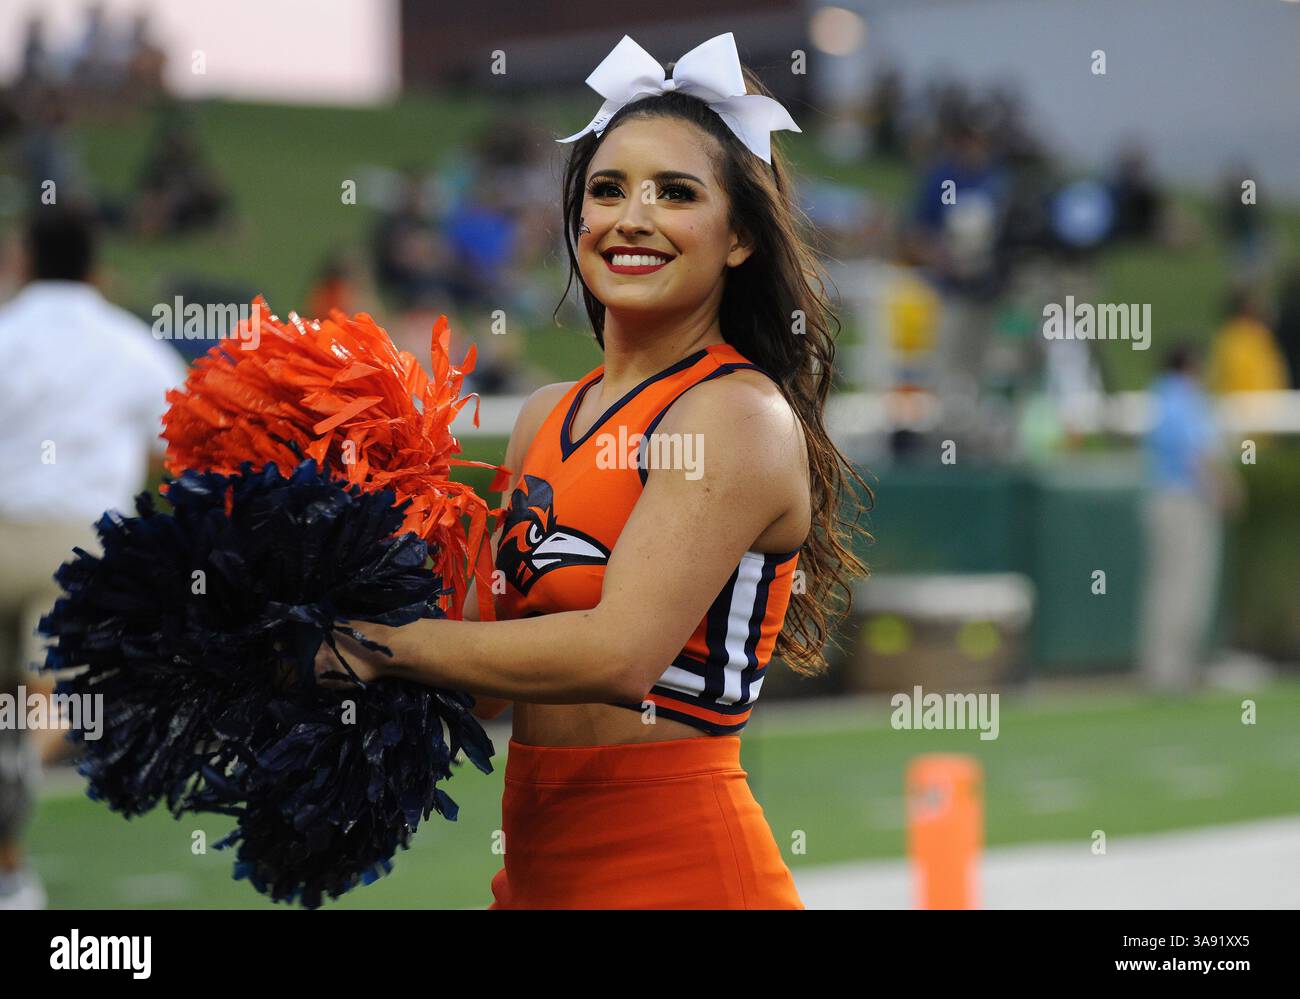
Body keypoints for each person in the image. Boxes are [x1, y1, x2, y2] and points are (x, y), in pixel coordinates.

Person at [317, 33, 872, 909]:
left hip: (682, 874)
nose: (632, 217)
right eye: (607, 189)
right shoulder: (543, 415)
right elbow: (482, 685)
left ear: (738, 240)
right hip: (540, 873)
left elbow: (620, 654)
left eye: (677, 193)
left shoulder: (736, 414)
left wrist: (378, 648)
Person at [0, 204, 188, 908]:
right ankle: (24, 769)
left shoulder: (5, 331)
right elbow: (183, 447)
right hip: (79, 541)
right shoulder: (129, 343)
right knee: (55, 692)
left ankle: (9, 869)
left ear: (22, 260)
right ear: (97, 269)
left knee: (8, 707)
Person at [1138, 344, 1242, 693]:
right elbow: (1198, 453)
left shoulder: (1160, 397)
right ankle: (1174, 671)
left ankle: (1165, 668)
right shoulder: (1184, 400)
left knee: (1167, 585)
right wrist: (1226, 488)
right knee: (1185, 587)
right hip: (1185, 502)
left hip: (1165, 499)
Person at [1207, 287, 1290, 394]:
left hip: (1261, 399)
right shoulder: (1232, 337)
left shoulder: (1260, 335)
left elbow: (1274, 372)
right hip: (1242, 400)